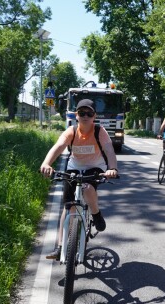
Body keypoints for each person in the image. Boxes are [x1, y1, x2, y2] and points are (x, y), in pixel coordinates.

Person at [40, 99, 119, 260]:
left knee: (88, 188)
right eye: (82, 113)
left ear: (94, 116)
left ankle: (96, 214)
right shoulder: (72, 131)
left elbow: (109, 150)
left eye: (89, 113)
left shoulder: (99, 131)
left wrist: (112, 168)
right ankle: (60, 247)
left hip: (95, 166)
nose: (85, 116)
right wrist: (46, 163)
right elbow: (59, 146)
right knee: (68, 206)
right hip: (74, 167)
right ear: (76, 115)